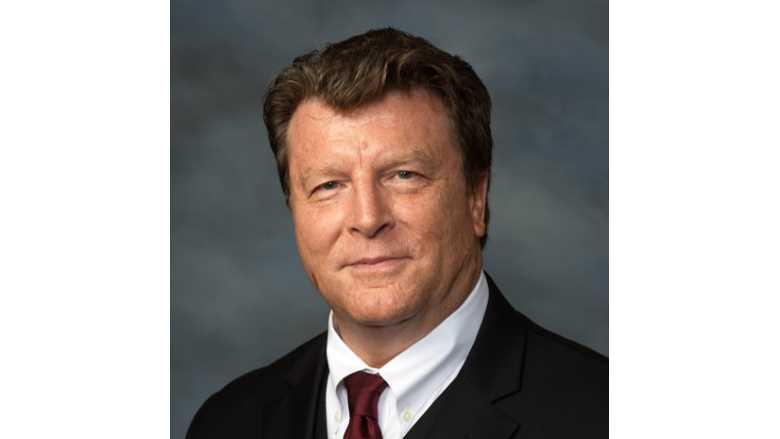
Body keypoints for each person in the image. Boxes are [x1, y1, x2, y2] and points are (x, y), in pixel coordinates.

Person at [187, 27, 606, 439]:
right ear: (294, 209)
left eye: (404, 175)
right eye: (329, 185)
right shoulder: (229, 423)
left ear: (476, 198)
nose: (368, 219)